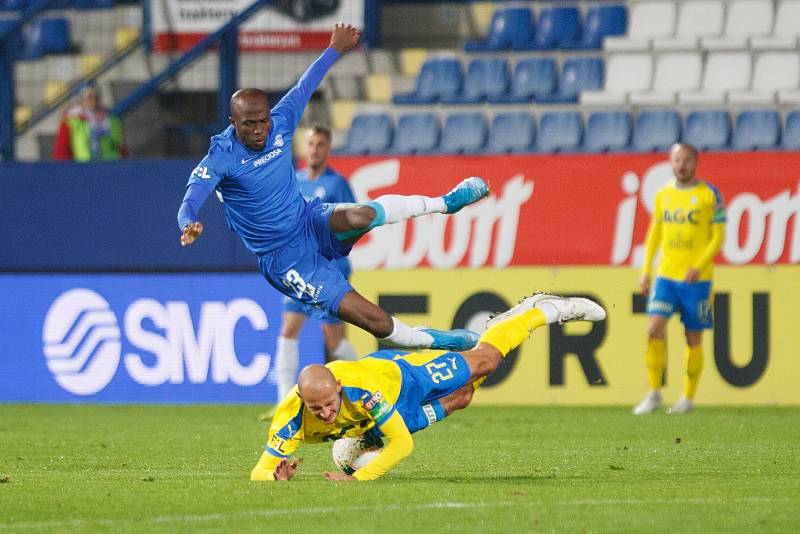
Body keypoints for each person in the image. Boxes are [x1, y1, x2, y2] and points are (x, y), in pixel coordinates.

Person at [177, 23, 489, 353]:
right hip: (285, 259)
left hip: (308, 220)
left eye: (262, 121)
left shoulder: (280, 122)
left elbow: (304, 85)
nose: (259, 130)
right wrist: (188, 222)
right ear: (233, 124)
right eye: (248, 124)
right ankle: (432, 340)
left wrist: (334, 50)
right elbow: (191, 197)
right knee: (375, 321)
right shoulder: (222, 155)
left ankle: (447, 202)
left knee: (362, 215)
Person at [249, 293, 607, 481]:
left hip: (406, 379)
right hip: (385, 418)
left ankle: (542, 310)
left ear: (339, 388)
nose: (326, 415)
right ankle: (498, 326)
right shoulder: (291, 419)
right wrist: (275, 478)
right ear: (302, 402)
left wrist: (360, 479)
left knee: (486, 361)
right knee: (463, 396)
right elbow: (260, 471)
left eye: (330, 404)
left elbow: (402, 444)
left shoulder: (360, 390)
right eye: (318, 410)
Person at [633, 143, 726, 415]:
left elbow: (719, 237)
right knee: (653, 330)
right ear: (670, 163)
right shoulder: (663, 195)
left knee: (692, 337)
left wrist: (698, 266)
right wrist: (646, 270)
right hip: (667, 277)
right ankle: (654, 393)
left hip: (699, 281)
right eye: (677, 160)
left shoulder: (710, 194)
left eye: (687, 160)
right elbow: (655, 234)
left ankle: (686, 397)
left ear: (696, 162)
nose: (682, 165)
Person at [275, 124, 359, 401]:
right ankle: (284, 402)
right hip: (298, 269)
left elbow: (354, 222)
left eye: (320, 145)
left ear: (328, 149)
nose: (314, 150)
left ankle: (361, 389)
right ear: (304, 147)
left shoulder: (337, 184)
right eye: (311, 144)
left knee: (333, 341)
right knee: (289, 328)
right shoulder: (294, 181)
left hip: (327, 269)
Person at [53, 84, 126, 161]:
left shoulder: (113, 121)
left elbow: (121, 148)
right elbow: (62, 152)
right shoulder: (71, 121)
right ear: (82, 100)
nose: (94, 100)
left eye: (96, 97)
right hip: (84, 169)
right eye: (89, 97)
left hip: (111, 168)